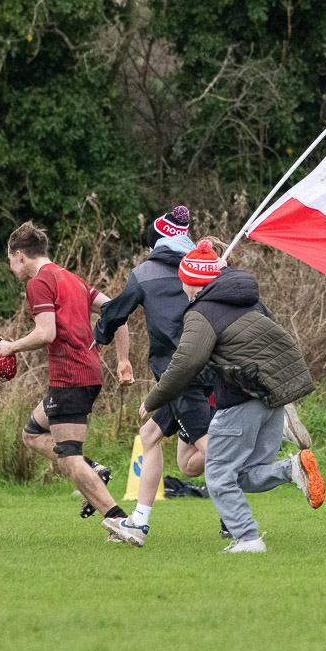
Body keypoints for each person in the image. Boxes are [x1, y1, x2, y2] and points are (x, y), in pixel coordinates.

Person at [117, 240, 324, 553]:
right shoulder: (248, 301)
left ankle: (248, 538)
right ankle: (292, 468)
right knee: (241, 474)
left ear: (191, 281)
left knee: (217, 474)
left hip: (243, 395)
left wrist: (155, 398)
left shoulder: (202, 311)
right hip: (274, 396)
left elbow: (186, 362)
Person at [0, 222, 135, 537]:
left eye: (9, 260)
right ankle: (94, 469)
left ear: (19, 255)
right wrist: (123, 360)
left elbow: (47, 333)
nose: (10, 267)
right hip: (88, 373)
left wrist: (11, 347)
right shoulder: (71, 278)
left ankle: (120, 521)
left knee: (69, 458)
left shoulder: (38, 283)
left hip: (70, 376)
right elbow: (118, 311)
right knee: (32, 434)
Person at [93, 208, 216, 546]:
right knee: (149, 436)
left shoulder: (144, 273)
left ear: (155, 243)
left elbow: (116, 312)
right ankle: (138, 523)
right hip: (209, 368)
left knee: (213, 449)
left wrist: (99, 335)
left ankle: (259, 489)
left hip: (182, 375)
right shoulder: (203, 269)